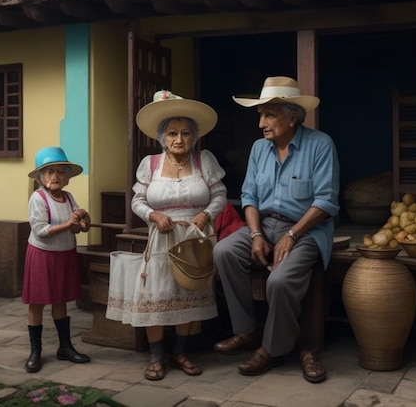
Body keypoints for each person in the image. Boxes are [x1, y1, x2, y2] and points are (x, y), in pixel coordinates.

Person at [213, 76, 340, 384]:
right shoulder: (259, 149)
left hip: (307, 231)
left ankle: (272, 349)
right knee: (225, 251)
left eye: (269, 114)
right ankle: (245, 331)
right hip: (263, 224)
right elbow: (249, 197)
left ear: (292, 116)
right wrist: (256, 234)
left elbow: (326, 201)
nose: (261, 124)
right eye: (260, 115)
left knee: (278, 282)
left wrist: (292, 235)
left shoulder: (320, 144)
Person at [106, 90, 227, 381]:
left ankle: (181, 353)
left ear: (193, 136)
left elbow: (220, 195)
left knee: (190, 294)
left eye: (185, 133)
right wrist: (154, 216)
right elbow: (137, 201)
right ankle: (157, 357)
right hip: (161, 238)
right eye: (172, 133)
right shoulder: (150, 164)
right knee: (156, 296)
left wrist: (205, 215)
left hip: (194, 238)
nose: (179, 139)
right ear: (163, 137)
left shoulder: (204, 161)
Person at [22, 146, 92, 373]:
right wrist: (69, 225)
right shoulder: (38, 197)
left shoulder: (68, 197)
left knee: (60, 299)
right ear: (41, 177)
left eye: (61, 171)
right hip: (42, 254)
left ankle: (65, 347)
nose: (55, 176)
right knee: (38, 302)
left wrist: (83, 221)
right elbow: (41, 230)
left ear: (67, 177)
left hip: (65, 254)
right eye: (50, 171)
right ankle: (35, 351)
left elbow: (76, 229)